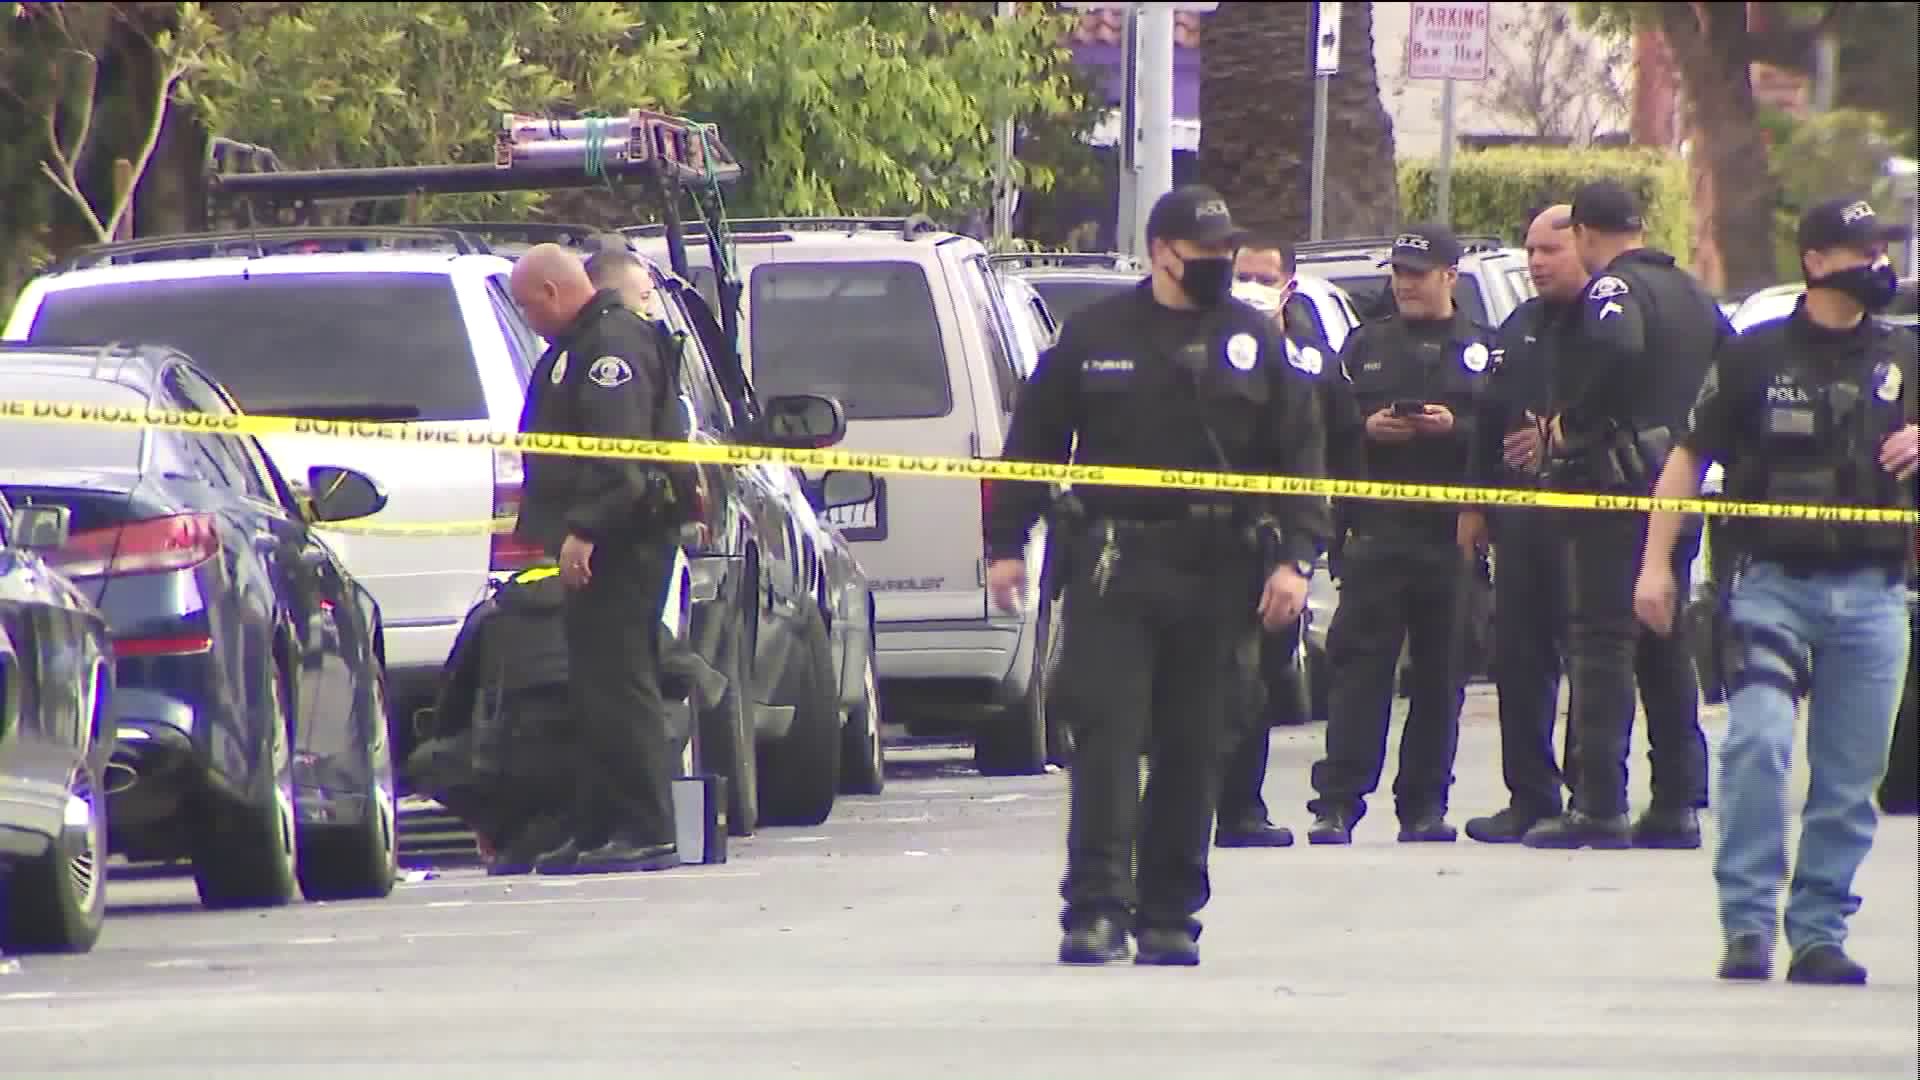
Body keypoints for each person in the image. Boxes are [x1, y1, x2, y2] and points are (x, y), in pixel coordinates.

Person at [983, 186, 1328, 967]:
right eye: (1204, 255)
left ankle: (1172, 909)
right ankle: (1096, 908)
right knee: (1106, 739)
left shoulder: (1252, 340)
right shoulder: (1094, 335)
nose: (1219, 267)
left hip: (1218, 569)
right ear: (1161, 253)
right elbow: (1032, 443)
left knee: (1195, 744)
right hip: (1115, 563)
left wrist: (1295, 559)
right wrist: (1007, 540)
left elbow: (1302, 458)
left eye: (1225, 255)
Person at [1633, 195, 1917, 984]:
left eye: (1881, 251)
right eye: (1863, 253)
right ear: (1817, 262)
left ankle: (1820, 931)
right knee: (1756, 743)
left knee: (1850, 777)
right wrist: (1657, 566)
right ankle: (1749, 923)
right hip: (1771, 587)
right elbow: (1687, 460)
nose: (1879, 268)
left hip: (1874, 594)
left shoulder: (1906, 356)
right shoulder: (1754, 355)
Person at [1523, 181, 1724, 850]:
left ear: (1584, 233)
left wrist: (1573, 423)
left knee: (1602, 644)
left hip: (1618, 490)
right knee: (1664, 641)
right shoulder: (1694, 292)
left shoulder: (1614, 289)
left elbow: (1617, 349)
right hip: (1677, 486)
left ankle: (1600, 804)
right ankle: (1676, 801)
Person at [1304, 225, 1493, 846]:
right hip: (1377, 535)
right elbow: (1328, 431)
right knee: (1359, 672)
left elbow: (1501, 443)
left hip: (1451, 539)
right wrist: (1367, 430)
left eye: (1419, 273)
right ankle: (1337, 802)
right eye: (1400, 273)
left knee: (1441, 677)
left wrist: (1454, 429)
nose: (1406, 284)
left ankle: (1424, 806)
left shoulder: (1483, 350)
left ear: (1450, 276)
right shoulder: (1365, 347)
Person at [507, 243, 684, 876]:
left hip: (623, 541)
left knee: (621, 684)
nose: (528, 320)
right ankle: (601, 826)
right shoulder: (578, 345)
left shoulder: (612, 348)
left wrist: (584, 530)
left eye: (529, 307)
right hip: (598, 540)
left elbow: (620, 459)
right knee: (595, 689)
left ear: (554, 292)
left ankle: (645, 829)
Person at [1456, 205, 1581, 842]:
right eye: (1530, 250)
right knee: (1520, 658)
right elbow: (1487, 420)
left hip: (1588, 523)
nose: (1535, 262)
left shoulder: (1604, 325)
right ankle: (1530, 795)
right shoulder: (1519, 326)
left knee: (1589, 660)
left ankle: (1588, 795)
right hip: (1522, 521)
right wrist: (1475, 504)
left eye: (1549, 250)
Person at [1212, 267, 1340, 850]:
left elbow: (1319, 457)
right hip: (1177, 547)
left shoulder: (1297, 371)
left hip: (1256, 543)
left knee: (1251, 684)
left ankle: (1241, 808)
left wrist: (1300, 555)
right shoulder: (1189, 359)